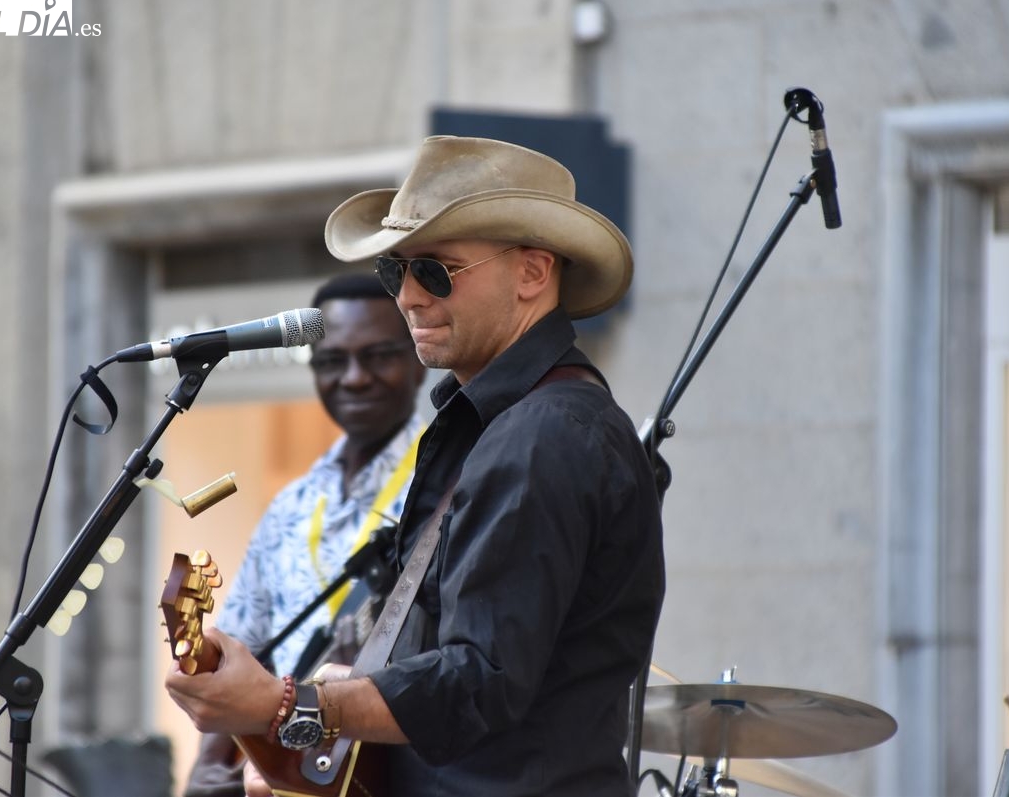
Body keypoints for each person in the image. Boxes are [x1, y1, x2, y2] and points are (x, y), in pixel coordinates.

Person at [168, 135, 666, 797]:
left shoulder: (544, 435)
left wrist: (285, 704)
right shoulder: (503, 426)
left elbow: (477, 680)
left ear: (532, 272)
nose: (406, 296)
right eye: (393, 271)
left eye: (435, 270)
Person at [183, 272, 427, 797]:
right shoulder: (290, 506)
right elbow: (243, 645)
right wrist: (209, 767)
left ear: (417, 364)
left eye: (379, 355)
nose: (355, 378)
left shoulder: (447, 483)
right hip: (293, 778)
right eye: (334, 361)